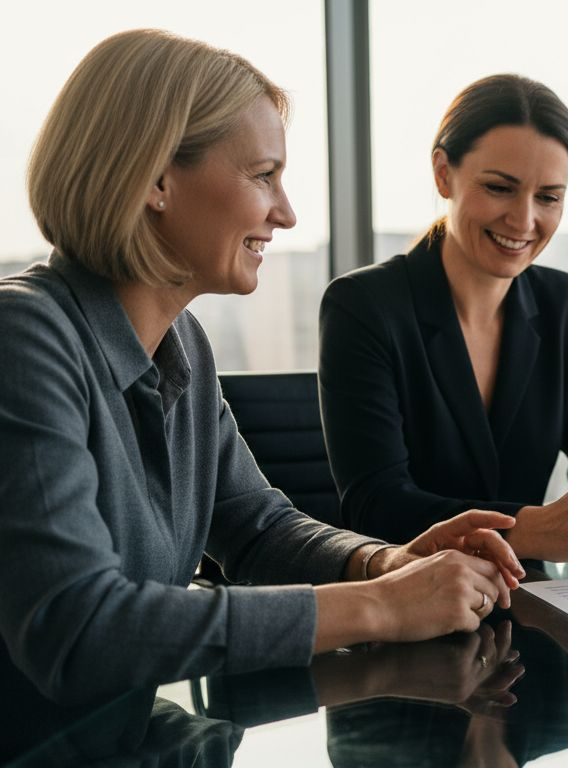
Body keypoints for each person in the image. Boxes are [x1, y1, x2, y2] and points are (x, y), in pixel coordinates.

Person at [0, 29, 527, 710]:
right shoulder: (24, 336)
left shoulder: (181, 340)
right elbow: (76, 629)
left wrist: (387, 562)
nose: (286, 212)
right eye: (262, 176)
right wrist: (379, 606)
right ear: (156, 179)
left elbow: (255, 529)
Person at [319, 74, 568, 563]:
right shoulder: (365, 306)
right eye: (500, 188)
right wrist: (528, 526)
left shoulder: (562, 301)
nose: (523, 221)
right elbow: (377, 506)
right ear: (443, 174)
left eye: (548, 197)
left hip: (530, 598)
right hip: (411, 602)